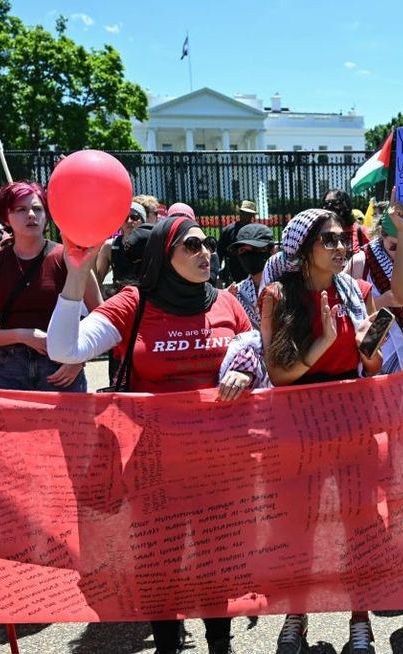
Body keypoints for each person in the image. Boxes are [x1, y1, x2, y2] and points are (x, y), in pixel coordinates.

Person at [47, 216, 255, 654]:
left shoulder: (226, 303)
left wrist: (246, 372)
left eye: (209, 245)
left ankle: (220, 642)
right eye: (192, 245)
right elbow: (63, 349)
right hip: (155, 461)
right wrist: (78, 272)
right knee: (161, 559)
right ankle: (166, 644)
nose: (206, 253)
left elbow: (255, 353)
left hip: (220, 459)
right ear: (165, 253)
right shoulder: (133, 302)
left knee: (216, 555)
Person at [259, 208, 381, 654]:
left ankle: (361, 622)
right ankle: (295, 615)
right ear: (303, 248)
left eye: (342, 239)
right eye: (327, 240)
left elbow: (372, 367)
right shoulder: (276, 294)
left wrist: (370, 347)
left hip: (352, 421)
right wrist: (323, 344)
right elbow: (277, 372)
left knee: (357, 523)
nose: (339, 247)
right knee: (299, 525)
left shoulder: (359, 291)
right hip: (297, 425)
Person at [0, 181, 101, 392]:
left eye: (37, 209)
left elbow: (102, 317)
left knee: (66, 426)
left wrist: (78, 359)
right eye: (20, 210)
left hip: (62, 370)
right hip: (9, 370)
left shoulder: (71, 259)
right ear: (6, 217)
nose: (31, 215)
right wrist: (24, 335)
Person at [348, 196, 403, 373]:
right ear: (381, 235)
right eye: (394, 247)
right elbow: (348, 310)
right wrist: (383, 301)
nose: (400, 252)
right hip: (375, 340)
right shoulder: (361, 261)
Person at [227, 222, 277, 329]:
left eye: (256, 249)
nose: (249, 255)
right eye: (243, 250)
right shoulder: (237, 293)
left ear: (272, 251)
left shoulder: (288, 285)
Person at [94, 201, 146, 297]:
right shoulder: (109, 246)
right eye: (124, 218)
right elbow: (97, 280)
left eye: (134, 217)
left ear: (143, 221)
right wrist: (91, 256)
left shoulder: (152, 243)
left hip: (147, 297)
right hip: (120, 298)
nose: (129, 221)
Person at [218, 200, 257, 284]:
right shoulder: (228, 230)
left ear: (252, 215)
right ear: (240, 213)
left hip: (252, 271)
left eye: (248, 214)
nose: (245, 216)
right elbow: (219, 252)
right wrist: (218, 271)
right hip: (233, 272)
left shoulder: (256, 231)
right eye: (243, 213)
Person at [323, 189, 369, 255]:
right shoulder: (322, 232)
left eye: (335, 203)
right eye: (326, 203)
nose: (329, 207)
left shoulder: (361, 231)